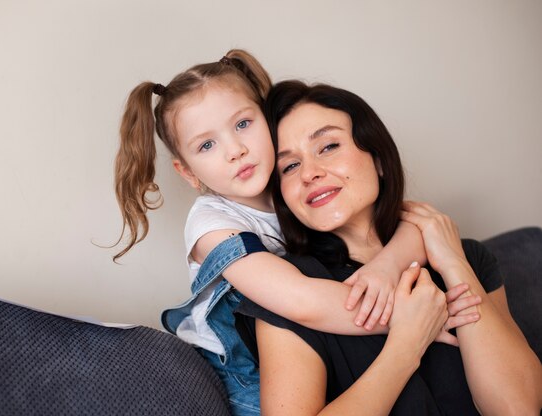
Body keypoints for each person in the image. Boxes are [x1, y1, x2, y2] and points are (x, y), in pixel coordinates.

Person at [113, 50, 457, 415]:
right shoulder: (211, 225)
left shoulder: (297, 184)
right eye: (207, 145)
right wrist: (411, 323)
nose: (236, 150)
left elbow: (415, 222)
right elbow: (302, 303)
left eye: (243, 124)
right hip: (246, 382)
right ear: (188, 173)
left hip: (312, 354)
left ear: (268, 120)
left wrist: (388, 266)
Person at [237, 80, 542, 415]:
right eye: (290, 166)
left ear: (379, 159)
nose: (309, 173)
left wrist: (454, 264)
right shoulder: (286, 290)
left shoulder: (466, 257)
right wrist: (405, 346)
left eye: (327, 147)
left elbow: (518, 408)